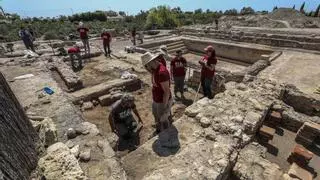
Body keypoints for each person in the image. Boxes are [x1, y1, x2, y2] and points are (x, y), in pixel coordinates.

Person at [141, 52, 172, 133]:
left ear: (150, 63)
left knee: (163, 119)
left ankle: (166, 133)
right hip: (156, 99)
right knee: (155, 114)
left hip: (162, 101)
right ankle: (158, 128)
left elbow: (167, 92)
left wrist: (165, 107)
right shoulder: (154, 68)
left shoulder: (161, 73)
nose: (146, 68)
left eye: (146, 65)